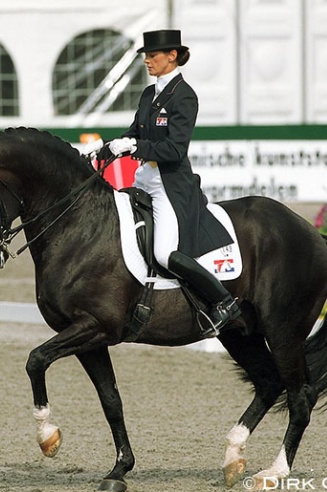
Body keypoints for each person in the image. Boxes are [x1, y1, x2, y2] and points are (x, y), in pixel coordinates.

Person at [83, 29, 240, 337]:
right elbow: (133, 134)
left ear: (172, 56)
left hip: (170, 184)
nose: (147, 61)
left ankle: (223, 301)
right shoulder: (148, 94)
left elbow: (175, 149)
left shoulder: (184, 95)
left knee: (164, 253)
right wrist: (103, 147)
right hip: (143, 178)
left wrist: (133, 148)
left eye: (153, 56)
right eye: (146, 56)